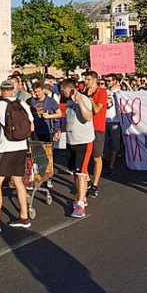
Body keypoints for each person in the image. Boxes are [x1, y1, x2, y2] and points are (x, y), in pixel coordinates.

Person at [0, 80, 34, 233]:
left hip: (5, 148)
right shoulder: (23, 105)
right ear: (13, 91)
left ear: (2, 91)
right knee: (18, 181)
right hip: (22, 147)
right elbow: (31, 126)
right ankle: (24, 217)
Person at [58, 78, 94, 218]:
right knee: (74, 172)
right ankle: (81, 195)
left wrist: (80, 102)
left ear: (69, 88)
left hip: (83, 141)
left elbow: (88, 116)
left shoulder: (83, 98)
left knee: (81, 173)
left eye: (63, 89)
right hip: (71, 141)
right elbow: (69, 119)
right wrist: (60, 130)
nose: (62, 92)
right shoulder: (68, 102)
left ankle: (80, 205)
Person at [28, 81, 61, 189]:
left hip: (48, 130)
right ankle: (38, 175)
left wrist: (50, 117)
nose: (37, 94)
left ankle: (49, 177)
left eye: (38, 91)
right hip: (35, 131)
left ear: (43, 90)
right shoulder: (31, 101)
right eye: (35, 92)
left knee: (48, 154)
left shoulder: (50, 101)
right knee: (37, 154)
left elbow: (60, 114)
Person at [84, 71, 107, 199]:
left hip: (97, 128)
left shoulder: (102, 92)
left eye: (88, 79)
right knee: (83, 157)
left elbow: (97, 110)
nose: (86, 82)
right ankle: (87, 180)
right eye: (85, 79)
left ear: (94, 80)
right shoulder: (83, 93)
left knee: (96, 157)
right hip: (85, 128)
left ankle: (95, 185)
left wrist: (91, 98)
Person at [103, 73, 122, 177]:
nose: (107, 82)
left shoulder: (120, 92)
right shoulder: (104, 92)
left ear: (115, 81)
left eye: (109, 80)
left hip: (115, 120)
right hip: (104, 120)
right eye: (106, 81)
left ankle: (111, 165)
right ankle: (106, 159)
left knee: (114, 144)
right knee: (105, 143)